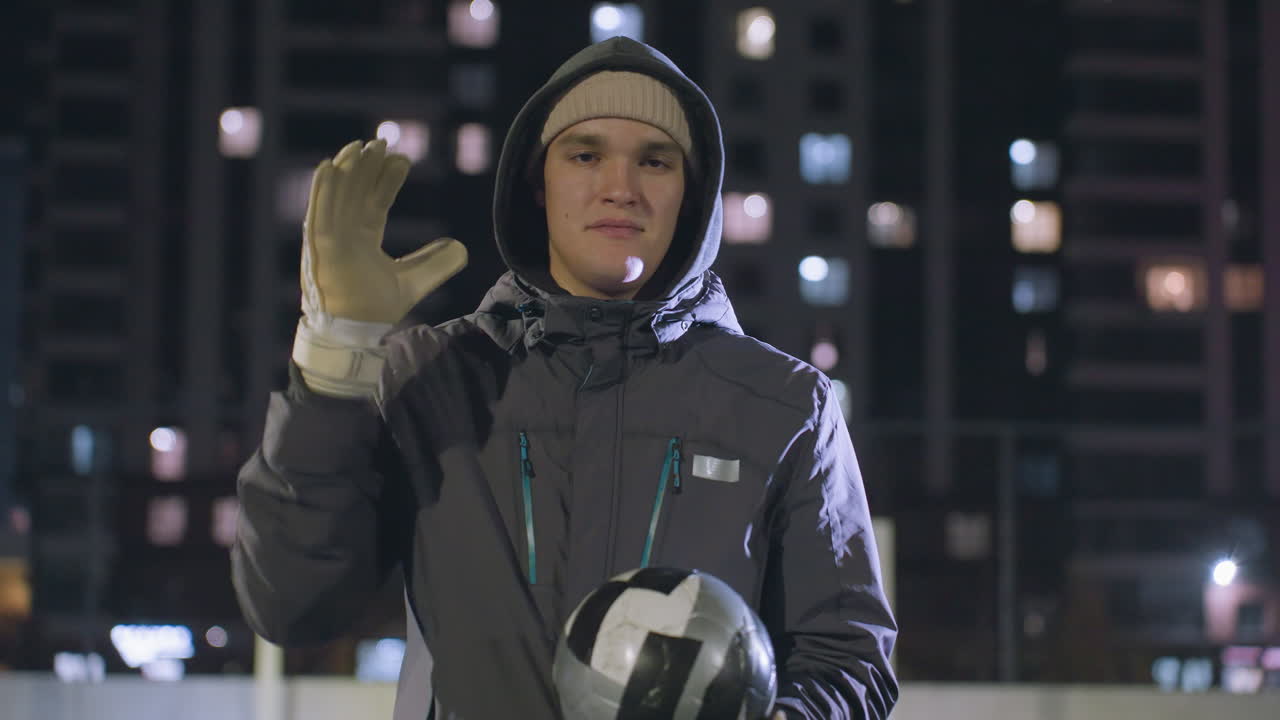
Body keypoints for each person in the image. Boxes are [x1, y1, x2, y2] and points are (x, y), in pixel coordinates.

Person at [232, 36, 898, 719]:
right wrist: (336, 359)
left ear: (693, 193)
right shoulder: (431, 380)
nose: (621, 187)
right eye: (585, 155)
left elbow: (846, 659)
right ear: (536, 181)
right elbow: (292, 604)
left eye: (655, 160)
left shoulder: (783, 406)